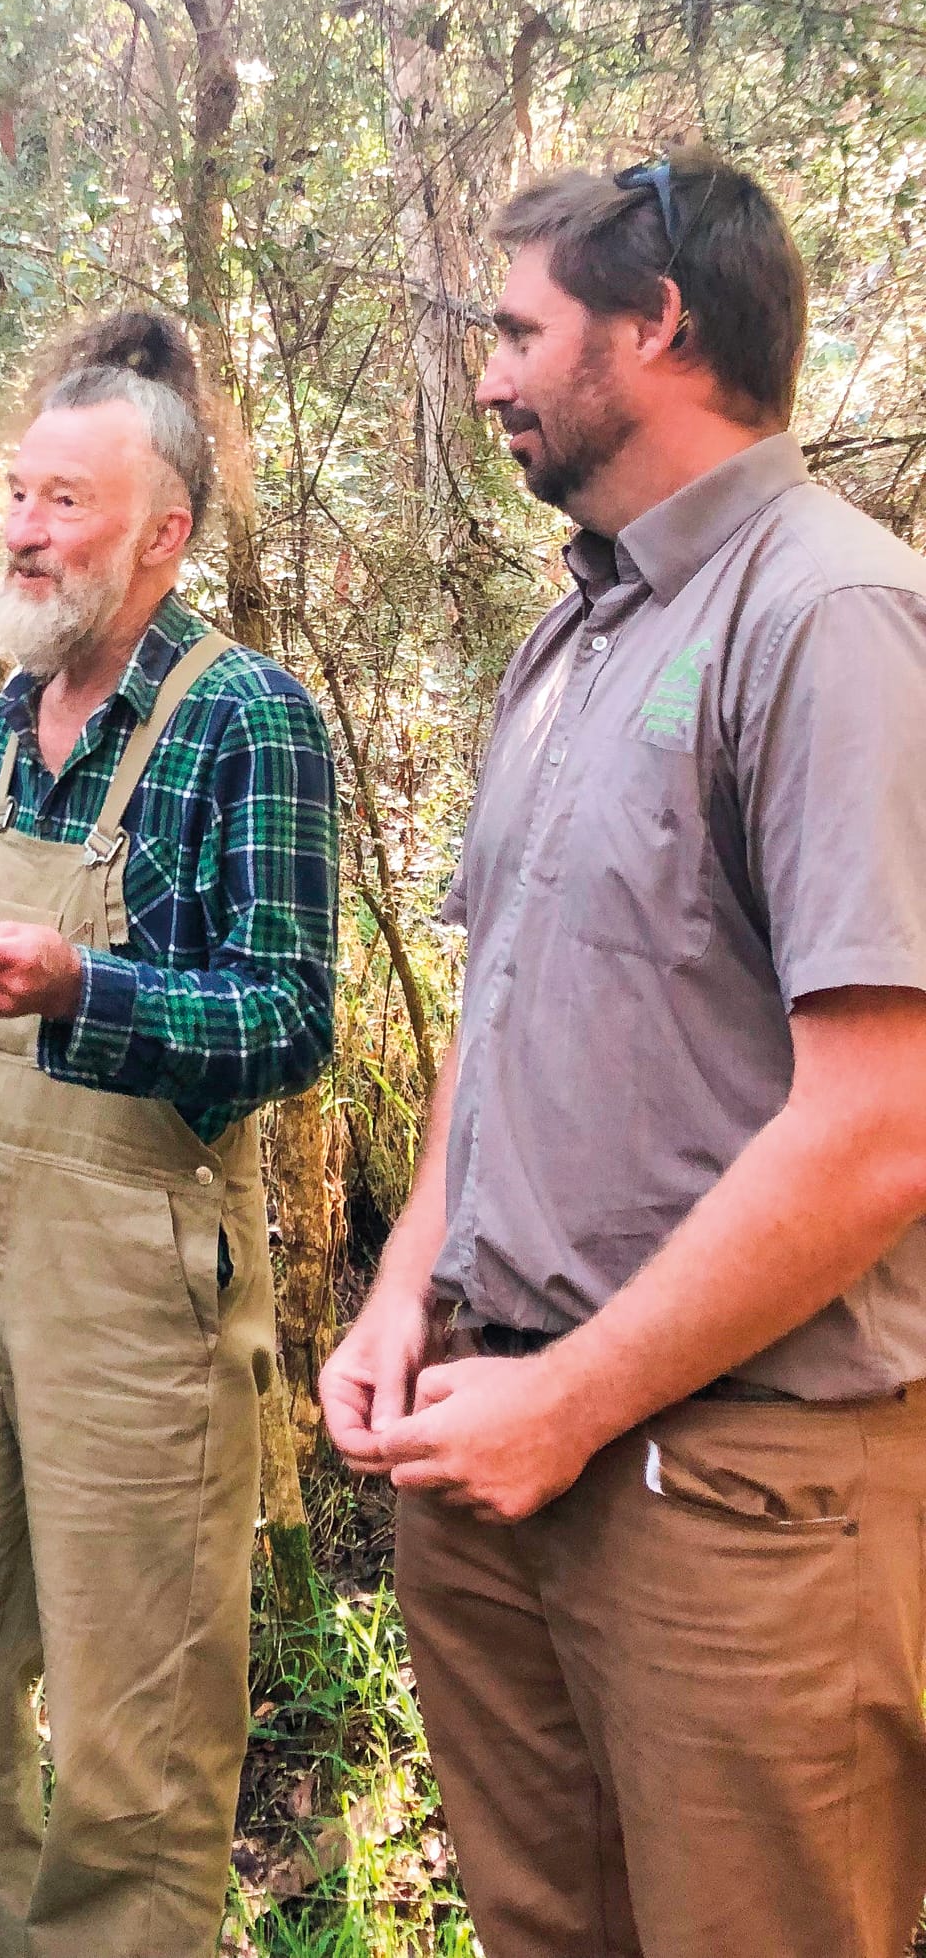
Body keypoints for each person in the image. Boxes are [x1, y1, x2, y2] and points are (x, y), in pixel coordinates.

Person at [321, 150, 926, 1956]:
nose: (487, 376)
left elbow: (885, 1125)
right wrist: (398, 1289)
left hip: (738, 1498)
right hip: (493, 1453)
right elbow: (499, 1012)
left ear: (657, 324)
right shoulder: (570, 640)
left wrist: (571, 1398)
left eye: (518, 331)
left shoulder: (831, 618)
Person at [0, 311, 338, 1958]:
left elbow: (291, 1017)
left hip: (143, 1280)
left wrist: (81, 983)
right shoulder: (18, 707)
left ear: (163, 532)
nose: (21, 527)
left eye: (64, 501)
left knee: (138, 1718)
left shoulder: (245, 719)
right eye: (18, 492)